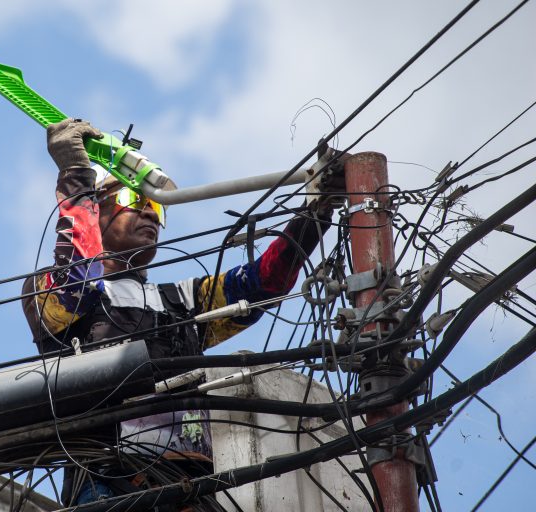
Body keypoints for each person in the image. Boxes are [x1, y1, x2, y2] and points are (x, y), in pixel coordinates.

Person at [22, 118, 343, 508]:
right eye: (131, 200)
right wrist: (75, 173)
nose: (151, 215)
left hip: (189, 488)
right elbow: (77, 279)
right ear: (96, 209)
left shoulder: (181, 301)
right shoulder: (52, 291)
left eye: (157, 206)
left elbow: (264, 283)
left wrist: (317, 211)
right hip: (108, 484)